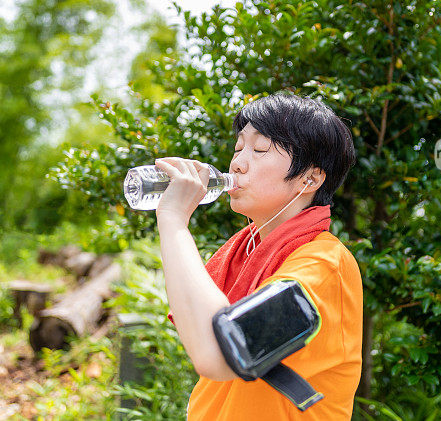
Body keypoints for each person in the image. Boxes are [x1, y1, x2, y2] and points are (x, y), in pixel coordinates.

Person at [153, 91, 362, 420]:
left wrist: (174, 222)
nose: (237, 162)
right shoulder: (245, 248)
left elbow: (220, 354)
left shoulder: (323, 266)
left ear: (310, 178)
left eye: (260, 148)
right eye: (239, 147)